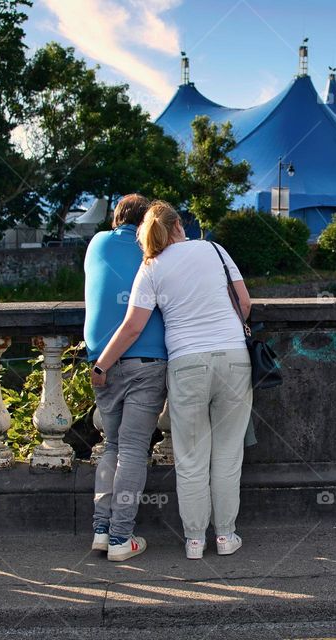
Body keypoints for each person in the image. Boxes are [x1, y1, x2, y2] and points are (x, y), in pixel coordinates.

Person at [92, 201, 253, 560]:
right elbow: (244, 303)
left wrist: (102, 364)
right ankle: (226, 537)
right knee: (228, 455)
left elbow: (133, 326)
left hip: (186, 364)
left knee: (191, 458)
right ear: (180, 224)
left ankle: (194, 541)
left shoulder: (150, 267)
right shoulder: (213, 249)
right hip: (233, 359)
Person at [84, 194, 167, 562]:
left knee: (112, 447)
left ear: (116, 219)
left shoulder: (97, 243)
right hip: (146, 361)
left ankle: (101, 531)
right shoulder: (154, 251)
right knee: (133, 449)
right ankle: (121, 537)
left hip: (102, 361)